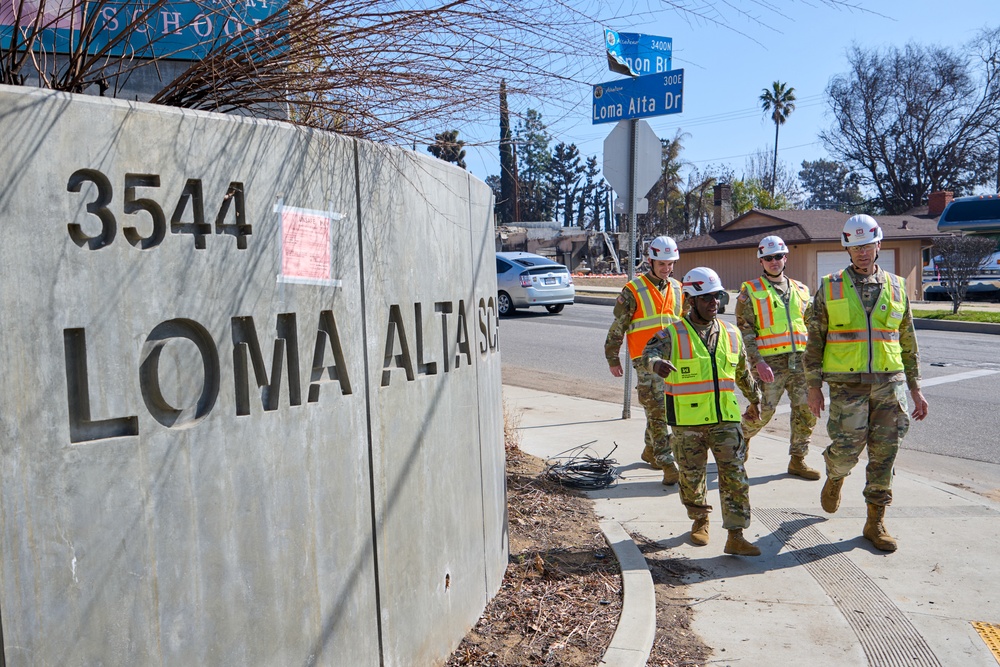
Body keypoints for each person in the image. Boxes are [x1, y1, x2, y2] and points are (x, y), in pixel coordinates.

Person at [804, 214, 929, 553]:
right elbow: (814, 341)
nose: (862, 252)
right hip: (848, 386)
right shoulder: (830, 287)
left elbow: (907, 341)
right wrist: (813, 386)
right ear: (847, 248)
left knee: (885, 453)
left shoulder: (897, 286)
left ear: (878, 244)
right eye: (855, 246)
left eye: (867, 245)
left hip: (891, 383)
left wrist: (916, 388)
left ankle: (875, 520)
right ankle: (835, 475)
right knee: (846, 450)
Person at [642, 267, 763, 556]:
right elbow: (648, 353)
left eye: (718, 297)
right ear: (690, 300)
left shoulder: (731, 333)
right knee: (692, 476)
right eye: (707, 298)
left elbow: (742, 371)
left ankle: (736, 534)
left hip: (725, 419)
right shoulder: (672, 334)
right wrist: (655, 364)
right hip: (688, 422)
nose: (714, 303)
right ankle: (700, 521)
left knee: (734, 475)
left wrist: (755, 399)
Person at [737, 235, 821, 479]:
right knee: (763, 411)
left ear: (786, 258)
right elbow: (746, 330)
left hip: (801, 362)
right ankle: (739, 443)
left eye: (778, 256)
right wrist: (758, 362)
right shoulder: (750, 291)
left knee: (806, 411)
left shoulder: (802, 290)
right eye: (768, 258)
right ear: (761, 261)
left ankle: (798, 459)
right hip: (769, 363)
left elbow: (812, 327)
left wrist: (817, 363)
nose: (774, 261)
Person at [605, 236, 684, 485]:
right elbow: (618, 326)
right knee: (658, 409)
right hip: (644, 359)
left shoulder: (679, 289)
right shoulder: (634, 290)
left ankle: (650, 450)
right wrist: (612, 357)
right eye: (661, 263)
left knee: (661, 408)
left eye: (670, 263)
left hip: (672, 359)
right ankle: (666, 461)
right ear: (650, 261)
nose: (666, 268)